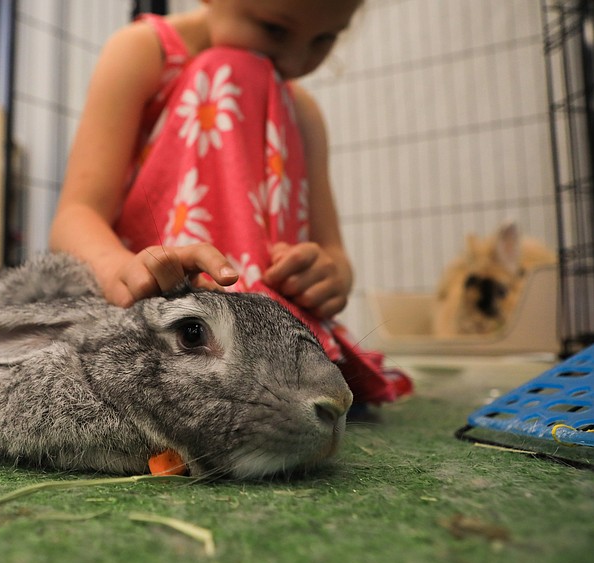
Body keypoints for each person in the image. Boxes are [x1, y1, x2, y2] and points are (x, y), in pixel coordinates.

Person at [50, 0, 411, 404]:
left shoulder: (303, 112)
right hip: (156, 316)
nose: (294, 61)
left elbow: (334, 254)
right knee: (229, 67)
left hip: (277, 336)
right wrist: (125, 272)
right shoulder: (143, 52)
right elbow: (75, 216)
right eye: (275, 29)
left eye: (324, 39)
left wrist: (329, 278)